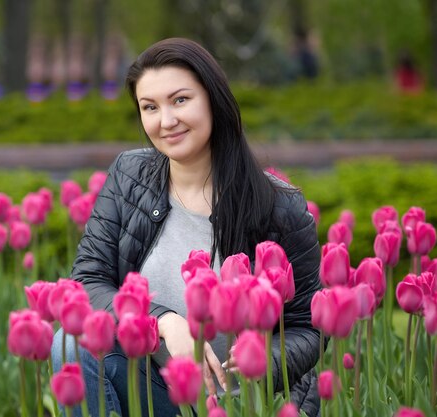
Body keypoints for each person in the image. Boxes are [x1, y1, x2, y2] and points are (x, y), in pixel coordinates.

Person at [51, 37, 322, 417]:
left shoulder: (278, 205)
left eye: (180, 100)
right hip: (153, 386)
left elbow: (307, 328)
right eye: (150, 107)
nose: (166, 121)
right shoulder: (130, 175)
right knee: (70, 343)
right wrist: (163, 320)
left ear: (213, 99)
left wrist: (261, 361)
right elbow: (87, 282)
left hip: (234, 399)